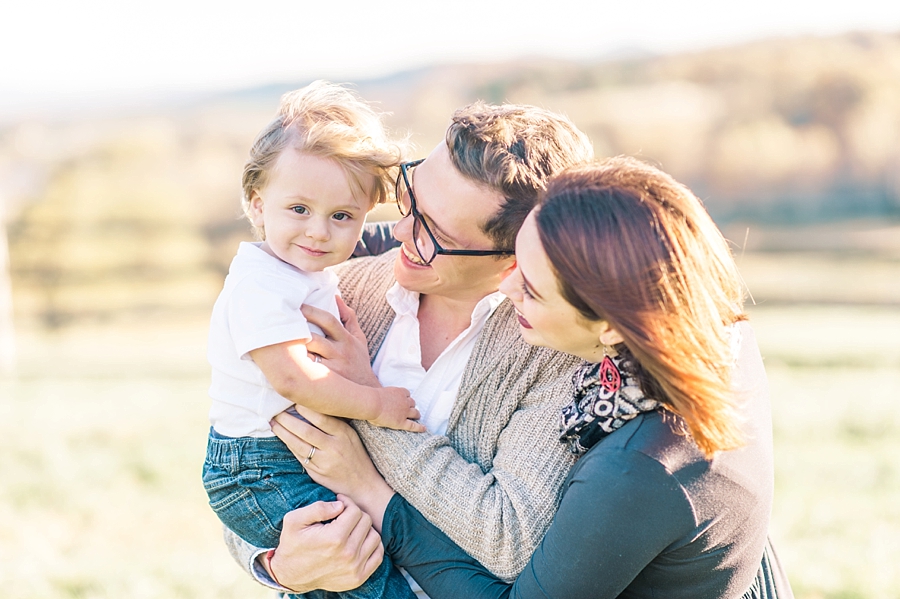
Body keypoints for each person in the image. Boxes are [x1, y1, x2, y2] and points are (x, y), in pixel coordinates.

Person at [270, 157, 794, 598]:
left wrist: (372, 489)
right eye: (516, 257)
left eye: (534, 290)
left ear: (611, 324)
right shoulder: (699, 324)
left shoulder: (641, 464)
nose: (508, 286)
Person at [223, 102, 596, 596]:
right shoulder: (338, 291)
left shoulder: (557, 354)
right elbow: (249, 461)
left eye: (433, 233)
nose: (398, 232)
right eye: (408, 201)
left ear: (514, 258)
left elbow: (510, 539)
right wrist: (278, 564)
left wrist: (366, 415)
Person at [203, 81, 422, 599]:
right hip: (258, 465)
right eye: (298, 209)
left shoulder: (298, 270)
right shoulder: (262, 285)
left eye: (342, 216)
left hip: (286, 453)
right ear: (258, 205)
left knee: (348, 571)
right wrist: (376, 404)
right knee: (363, 572)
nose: (320, 232)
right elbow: (294, 378)